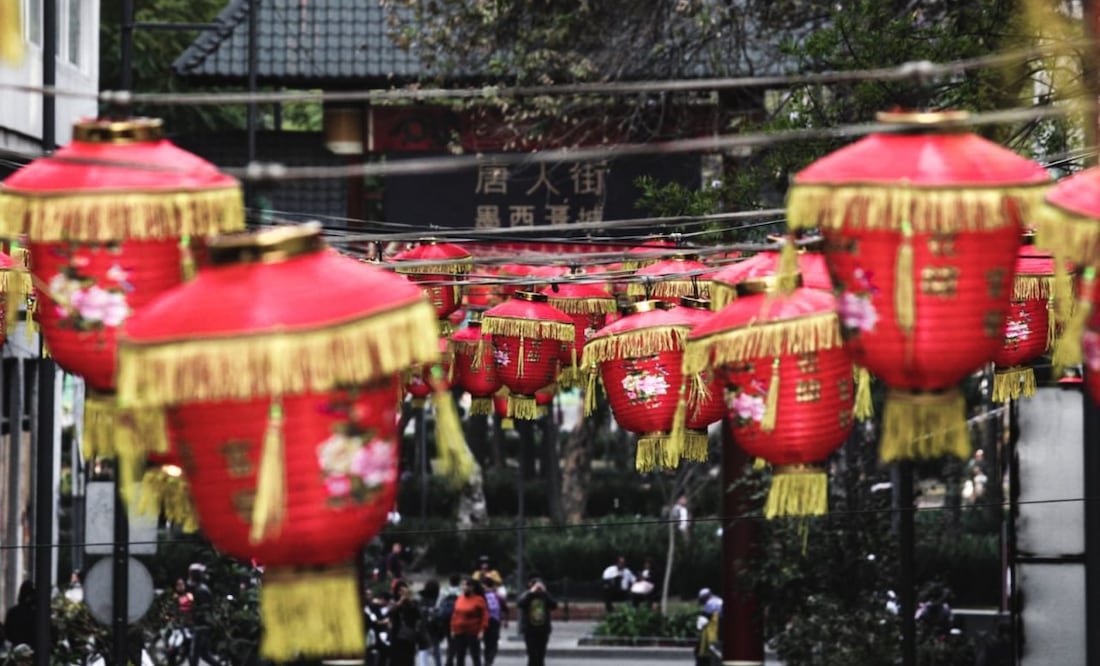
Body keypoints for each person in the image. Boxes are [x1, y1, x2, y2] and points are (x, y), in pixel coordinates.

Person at [516, 575, 557, 666]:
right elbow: (520, 604)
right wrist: (531, 592)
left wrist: (545, 592)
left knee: (541, 655)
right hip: (530, 630)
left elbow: (554, 605)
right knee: (532, 655)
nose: (538, 589)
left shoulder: (545, 596)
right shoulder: (528, 596)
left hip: (543, 630)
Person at [186, 563, 223, 666]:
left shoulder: (201, 589)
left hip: (201, 625)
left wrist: (193, 610)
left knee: (194, 654)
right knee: (204, 654)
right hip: (202, 624)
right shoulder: (199, 588)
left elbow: (205, 608)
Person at [449, 578, 488, 666]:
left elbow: (484, 616)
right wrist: (452, 628)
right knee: (459, 657)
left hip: (473, 632)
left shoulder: (479, 600)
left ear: (472, 587)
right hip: (459, 631)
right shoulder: (460, 598)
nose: (464, 587)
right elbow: (455, 614)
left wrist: (482, 630)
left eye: (466, 585)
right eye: (463, 585)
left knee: (475, 656)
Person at [390, 580, 426, 666]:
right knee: (397, 659)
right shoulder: (394, 601)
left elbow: (418, 615)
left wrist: (409, 601)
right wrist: (400, 601)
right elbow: (391, 613)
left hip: (409, 636)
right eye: (400, 591)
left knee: (408, 660)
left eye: (404, 591)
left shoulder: (412, 602)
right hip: (397, 636)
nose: (402, 593)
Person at [166, 578, 194, 666]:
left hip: (188, 626)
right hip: (177, 626)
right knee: (172, 649)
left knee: (190, 650)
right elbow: (169, 611)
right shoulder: (174, 597)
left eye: (182, 584)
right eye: (178, 584)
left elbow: (194, 609)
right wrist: (170, 617)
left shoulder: (189, 596)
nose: (180, 586)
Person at [4, 581, 37, 653]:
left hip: (17, 649)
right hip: (30, 650)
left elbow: (7, 633)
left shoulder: (13, 612)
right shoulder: (34, 614)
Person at [480, 577, 505, 666]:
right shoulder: (497, 596)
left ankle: (487, 661)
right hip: (495, 621)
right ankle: (489, 660)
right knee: (493, 643)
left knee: (486, 643)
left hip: (484, 621)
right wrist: (505, 621)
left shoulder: (480, 595)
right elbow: (505, 608)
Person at [695, 588, 723, 666]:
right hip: (721, 634)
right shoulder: (720, 601)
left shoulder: (709, 604)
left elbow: (701, 624)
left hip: (710, 636)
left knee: (700, 654)